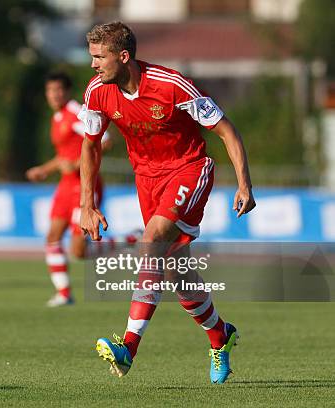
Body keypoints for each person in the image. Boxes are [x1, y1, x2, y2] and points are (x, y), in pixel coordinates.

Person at [78, 22, 255, 384]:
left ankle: (128, 347)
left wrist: (244, 185)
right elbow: (90, 145)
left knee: (152, 238)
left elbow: (225, 129)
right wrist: (87, 203)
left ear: (123, 56)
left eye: (99, 57)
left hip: (189, 169)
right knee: (174, 269)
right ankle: (220, 335)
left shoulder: (171, 85)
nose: (93, 65)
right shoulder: (97, 91)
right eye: (92, 56)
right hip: (147, 180)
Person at [26, 72, 113, 307]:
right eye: (50, 90)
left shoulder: (76, 111)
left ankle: (130, 241)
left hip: (84, 185)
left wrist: (76, 165)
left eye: (58, 90)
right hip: (66, 185)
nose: (54, 95)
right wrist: (45, 169)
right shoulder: (57, 117)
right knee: (52, 237)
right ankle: (64, 293)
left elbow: (105, 139)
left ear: (67, 91)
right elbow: (65, 155)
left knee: (79, 251)